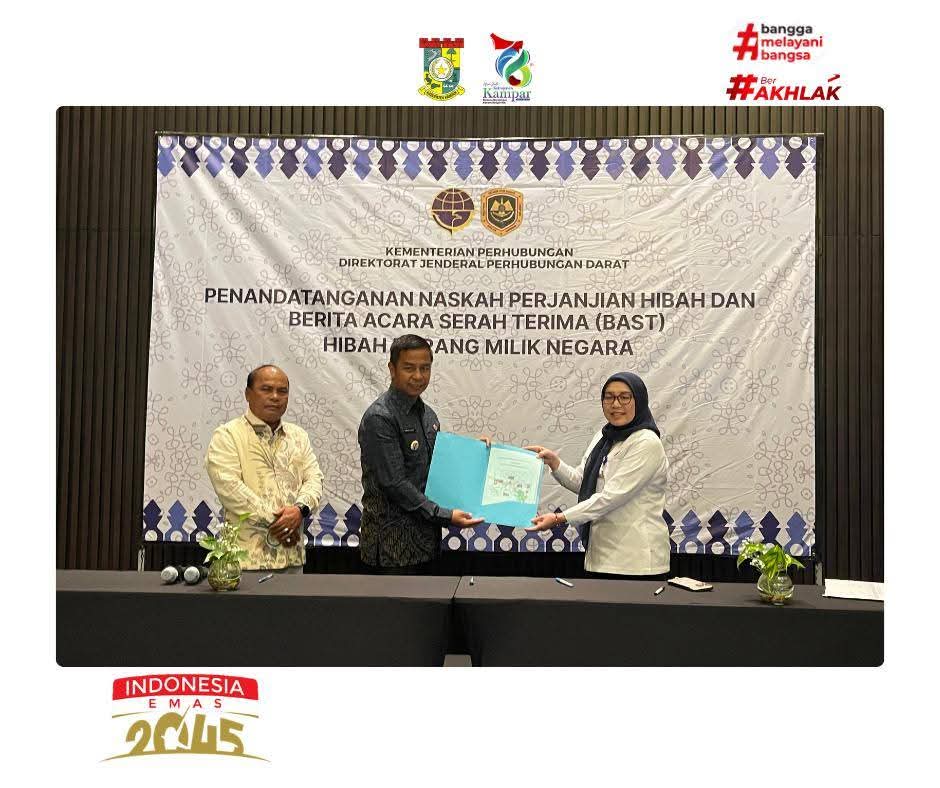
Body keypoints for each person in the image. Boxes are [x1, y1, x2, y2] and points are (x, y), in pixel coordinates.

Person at [358, 335, 483, 573]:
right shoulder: (380, 417)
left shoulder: (428, 416)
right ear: (392, 369)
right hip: (392, 550)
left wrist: (477, 454)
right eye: (409, 368)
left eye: (425, 368)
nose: (418, 376)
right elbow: (395, 484)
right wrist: (445, 515)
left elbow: (440, 468)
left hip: (427, 543)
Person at [527, 371, 670, 578]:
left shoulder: (646, 442)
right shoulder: (603, 438)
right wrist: (555, 463)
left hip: (635, 562)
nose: (615, 404)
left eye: (624, 397)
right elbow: (584, 483)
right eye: (609, 397)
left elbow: (610, 497)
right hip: (599, 557)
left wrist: (559, 518)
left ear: (639, 400)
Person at [205, 364, 323, 574]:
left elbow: (314, 479)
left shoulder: (298, 436)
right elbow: (230, 489)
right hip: (245, 562)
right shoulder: (227, 435)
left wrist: (300, 510)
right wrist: (282, 523)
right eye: (266, 389)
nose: (275, 397)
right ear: (248, 394)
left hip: (292, 559)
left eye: (282, 391)